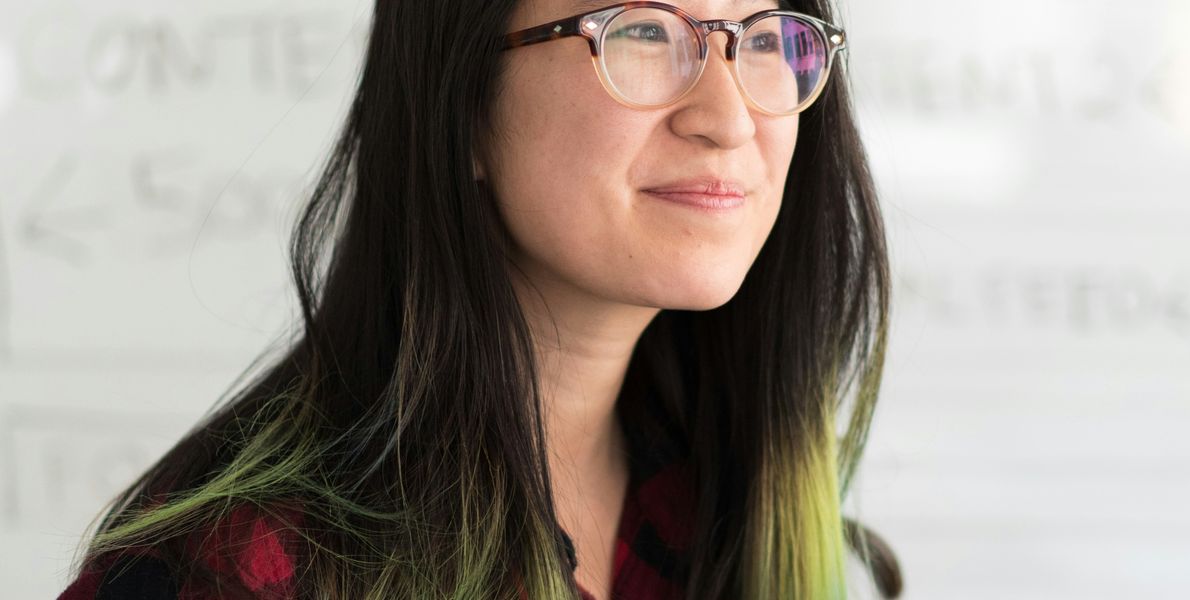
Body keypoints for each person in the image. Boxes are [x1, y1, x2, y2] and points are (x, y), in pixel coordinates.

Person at [56, 0, 902, 598]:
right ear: (460, 105)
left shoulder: (740, 514)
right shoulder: (235, 572)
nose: (728, 115)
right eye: (643, 30)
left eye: (763, 37)